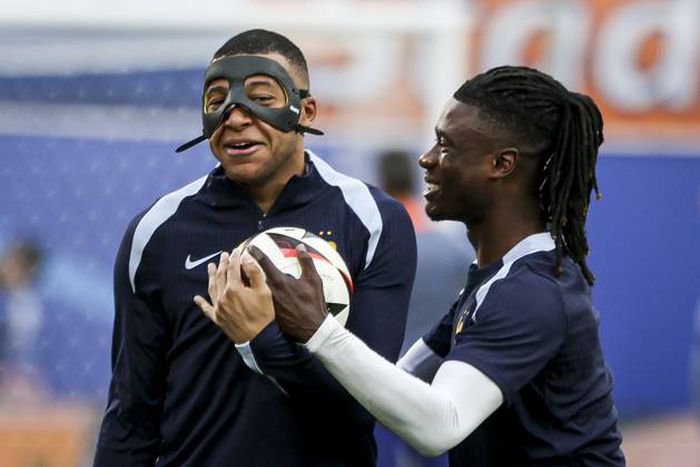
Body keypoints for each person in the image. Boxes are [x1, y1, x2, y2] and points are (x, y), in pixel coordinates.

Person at [198, 66, 626, 466]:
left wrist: (318, 328)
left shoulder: (531, 291)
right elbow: (386, 389)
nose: (427, 159)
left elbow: (441, 425)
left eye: (446, 145)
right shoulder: (491, 282)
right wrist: (259, 340)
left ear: (501, 164)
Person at [93, 29, 416, 466]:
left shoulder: (372, 220)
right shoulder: (157, 232)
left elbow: (368, 403)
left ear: (306, 110)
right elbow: (131, 415)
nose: (235, 117)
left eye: (261, 97)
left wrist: (261, 339)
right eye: (217, 101)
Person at [377, 149, 473, 353]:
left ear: (382, 183)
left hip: (387, 361)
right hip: (439, 361)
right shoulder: (454, 251)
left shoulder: (375, 252)